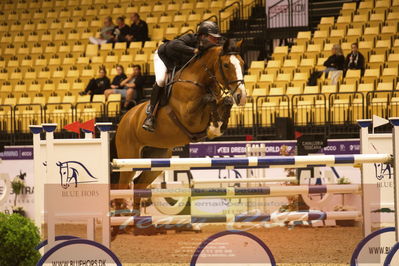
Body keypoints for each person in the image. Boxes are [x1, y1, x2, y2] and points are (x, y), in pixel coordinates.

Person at [142, 20, 222, 132]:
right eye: (213, 37)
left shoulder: (209, 48)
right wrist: (193, 50)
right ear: (203, 36)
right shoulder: (190, 38)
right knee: (161, 80)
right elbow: (175, 44)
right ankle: (151, 115)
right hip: (163, 58)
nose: (217, 40)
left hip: (178, 63)